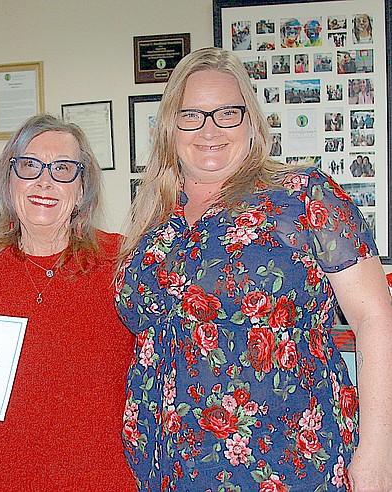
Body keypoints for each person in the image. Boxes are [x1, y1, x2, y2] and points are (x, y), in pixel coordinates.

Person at [115, 47, 392, 491]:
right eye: (192, 114)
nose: (209, 129)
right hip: (169, 465)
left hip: (287, 458)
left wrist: (379, 452)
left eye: (227, 113)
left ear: (251, 123)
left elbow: (374, 317)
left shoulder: (302, 196)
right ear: (170, 126)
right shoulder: (154, 219)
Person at [0, 114, 136, 490]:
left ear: (81, 189)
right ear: (9, 181)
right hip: (2, 476)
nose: (45, 181)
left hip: (102, 478)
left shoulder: (120, 261)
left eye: (62, 169)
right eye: (29, 166)